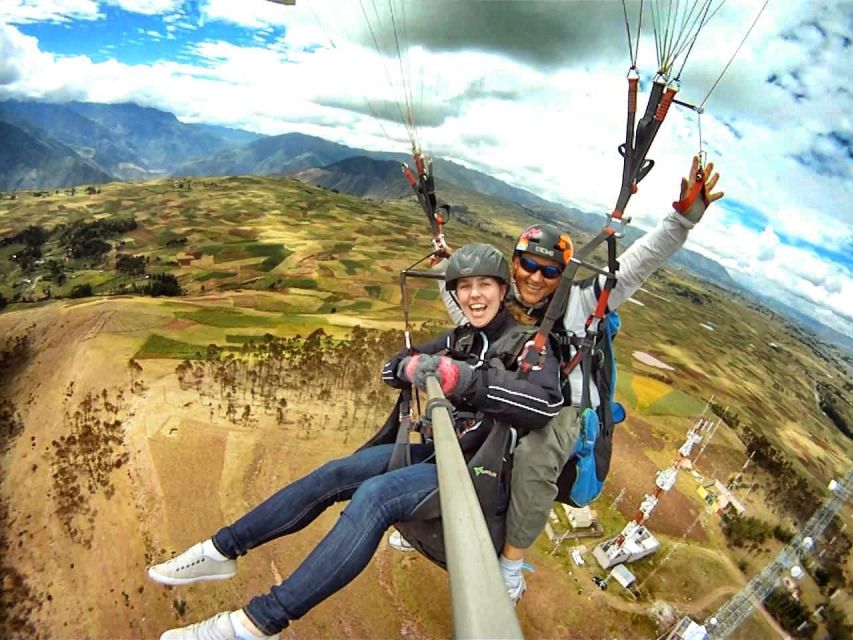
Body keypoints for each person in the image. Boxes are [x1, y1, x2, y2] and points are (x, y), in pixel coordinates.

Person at [147, 242, 563, 640]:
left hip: (478, 476)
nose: (474, 296)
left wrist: (464, 379)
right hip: (441, 456)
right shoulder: (463, 339)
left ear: (502, 289)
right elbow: (392, 366)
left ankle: (257, 624)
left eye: (484, 285)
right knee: (337, 472)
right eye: (464, 287)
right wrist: (409, 366)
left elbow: (543, 405)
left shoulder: (530, 346)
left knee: (376, 496)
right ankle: (221, 550)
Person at [420, 155, 723, 602]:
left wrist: (680, 222)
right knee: (447, 421)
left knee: (535, 458)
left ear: (563, 275)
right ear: (514, 265)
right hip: (517, 394)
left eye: (550, 271)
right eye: (527, 265)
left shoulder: (581, 304)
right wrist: (450, 269)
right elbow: (468, 318)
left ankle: (510, 568)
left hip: (563, 410)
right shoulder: (502, 304)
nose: (537, 278)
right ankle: (430, 512)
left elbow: (639, 263)